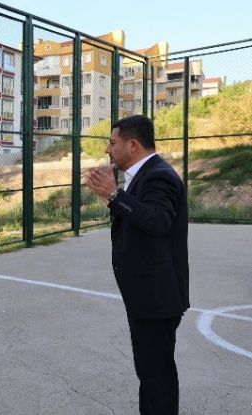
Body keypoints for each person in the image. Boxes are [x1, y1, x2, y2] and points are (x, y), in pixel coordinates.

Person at [85, 114, 189, 415]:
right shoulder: (144, 176)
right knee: (150, 371)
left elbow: (158, 221)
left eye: (112, 142)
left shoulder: (159, 176)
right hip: (147, 295)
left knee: (157, 375)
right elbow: (142, 221)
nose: (108, 149)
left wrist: (115, 195)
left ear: (132, 145)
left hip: (156, 296)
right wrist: (114, 201)